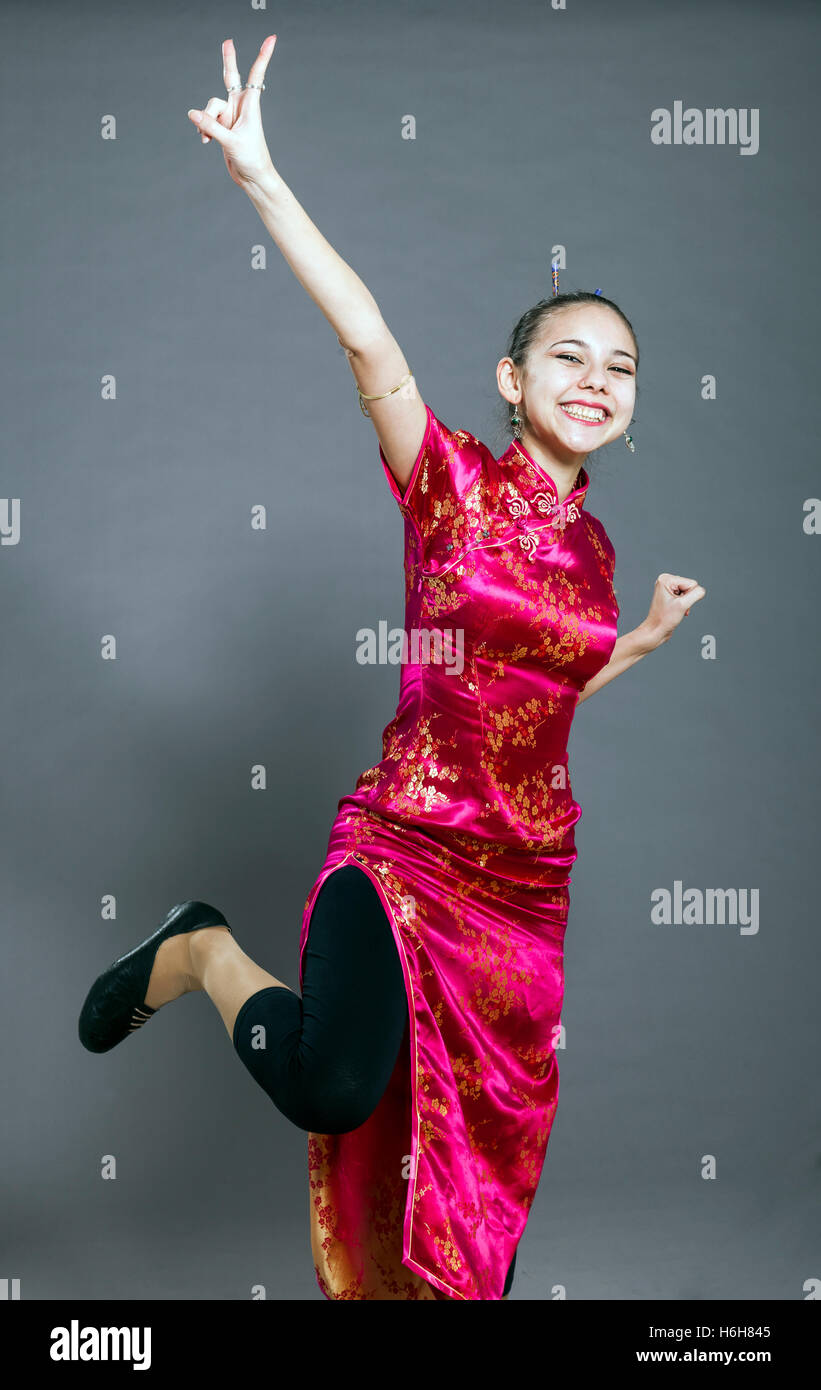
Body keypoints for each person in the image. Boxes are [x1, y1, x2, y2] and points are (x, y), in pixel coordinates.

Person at [78, 34, 706, 1301]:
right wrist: (260, 175)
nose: (596, 381)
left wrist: (626, 645)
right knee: (332, 1082)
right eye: (569, 357)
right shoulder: (450, 485)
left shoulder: (593, 554)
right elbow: (368, 337)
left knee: (477, 1181)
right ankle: (200, 948)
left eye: (620, 367)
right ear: (510, 378)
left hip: (521, 892)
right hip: (408, 846)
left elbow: (532, 705)